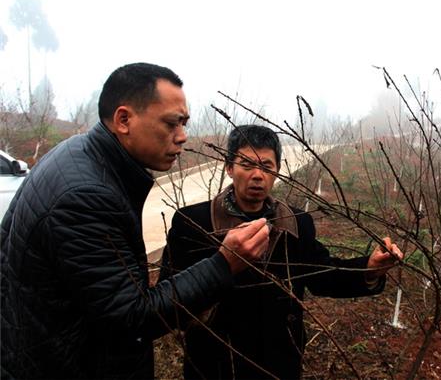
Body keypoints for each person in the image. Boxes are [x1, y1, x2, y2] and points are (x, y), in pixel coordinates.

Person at [0, 63, 270, 379]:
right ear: (124, 119)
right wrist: (224, 264)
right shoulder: (86, 196)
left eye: (184, 123)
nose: (182, 137)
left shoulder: (81, 153)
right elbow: (131, 318)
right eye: (171, 124)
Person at [162, 124, 404, 379]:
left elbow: (321, 275)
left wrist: (369, 269)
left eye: (267, 167)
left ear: (277, 171)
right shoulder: (193, 223)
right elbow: (171, 299)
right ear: (229, 167)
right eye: (246, 164)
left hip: (279, 365)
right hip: (214, 365)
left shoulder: (296, 223)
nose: (258, 175)